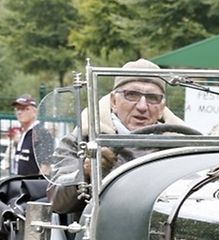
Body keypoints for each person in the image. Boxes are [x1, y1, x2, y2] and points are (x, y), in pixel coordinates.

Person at [49, 60, 177, 213]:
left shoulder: (181, 145)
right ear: (114, 101)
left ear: (162, 108)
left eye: (152, 98)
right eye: (131, 95)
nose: (142, 106)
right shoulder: (83, 140)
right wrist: (86, 172)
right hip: (100, 224)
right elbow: (56, 200)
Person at [9, 94, 53, 177]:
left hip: (31, 183)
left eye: (25, 109)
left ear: (34, 111)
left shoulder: (41, 133)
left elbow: (46, 165)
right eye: (17, 109)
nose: (19, 112)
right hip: (20, 180)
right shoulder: (24, 134)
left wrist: (38, 182)